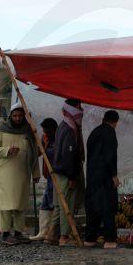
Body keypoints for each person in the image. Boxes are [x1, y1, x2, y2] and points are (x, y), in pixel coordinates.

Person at [0, 102, 40, 245]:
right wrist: (6, 150)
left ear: (24, 116)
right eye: (15, 116)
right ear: (10, 116)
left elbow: (34, 153)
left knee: (20, 204)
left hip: (23, 173)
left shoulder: (28, 131)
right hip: (4, 173)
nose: (18, 118)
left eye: (20, 115)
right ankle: (5, 234)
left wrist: (36, 173)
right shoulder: (1, 129)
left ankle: (18, 233)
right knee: (5, 204)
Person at [48, 99, 86, 247]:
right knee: (67, 206)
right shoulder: (70, 129)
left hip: (59, 172)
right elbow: (68, 154)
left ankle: (51, 235)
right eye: (79, 107)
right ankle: (64, 236)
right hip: (65, 174)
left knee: (59, 205)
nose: (81, 110)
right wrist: (71, 176)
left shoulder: (63, 126)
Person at [84, 110, 121, 249]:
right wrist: (114, 175)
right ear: (116, 122)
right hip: (105, 177)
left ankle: (90, 238)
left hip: (92, 176)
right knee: (108, 208)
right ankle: (109, 240)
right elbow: (109, 156)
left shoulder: (94, 132)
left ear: (103, 118)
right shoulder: (110, 133)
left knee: (93, 207)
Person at [30, 118, 58, 241]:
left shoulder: (59, 138)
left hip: (58, 174)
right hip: (49, 175)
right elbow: (37, 153)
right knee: (47, 200)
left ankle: (49, 232)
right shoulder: (45, 138)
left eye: (47, 130)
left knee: (50, 201)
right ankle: (44, 231)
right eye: (44, 131)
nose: (45, 133)